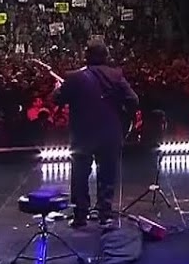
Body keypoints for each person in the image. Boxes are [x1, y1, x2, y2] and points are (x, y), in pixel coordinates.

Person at [51, 40, 139, 228]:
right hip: (110, 133)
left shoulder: (74, 77)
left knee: (80, 175)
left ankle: (80, 215)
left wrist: (57, 87)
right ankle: (104, 214)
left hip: (83, 134)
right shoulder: (116, 76)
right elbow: (133, 99)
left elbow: (57, 99)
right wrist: (121, 115)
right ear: (106, 56)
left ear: (86, 56)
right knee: (107, 174)